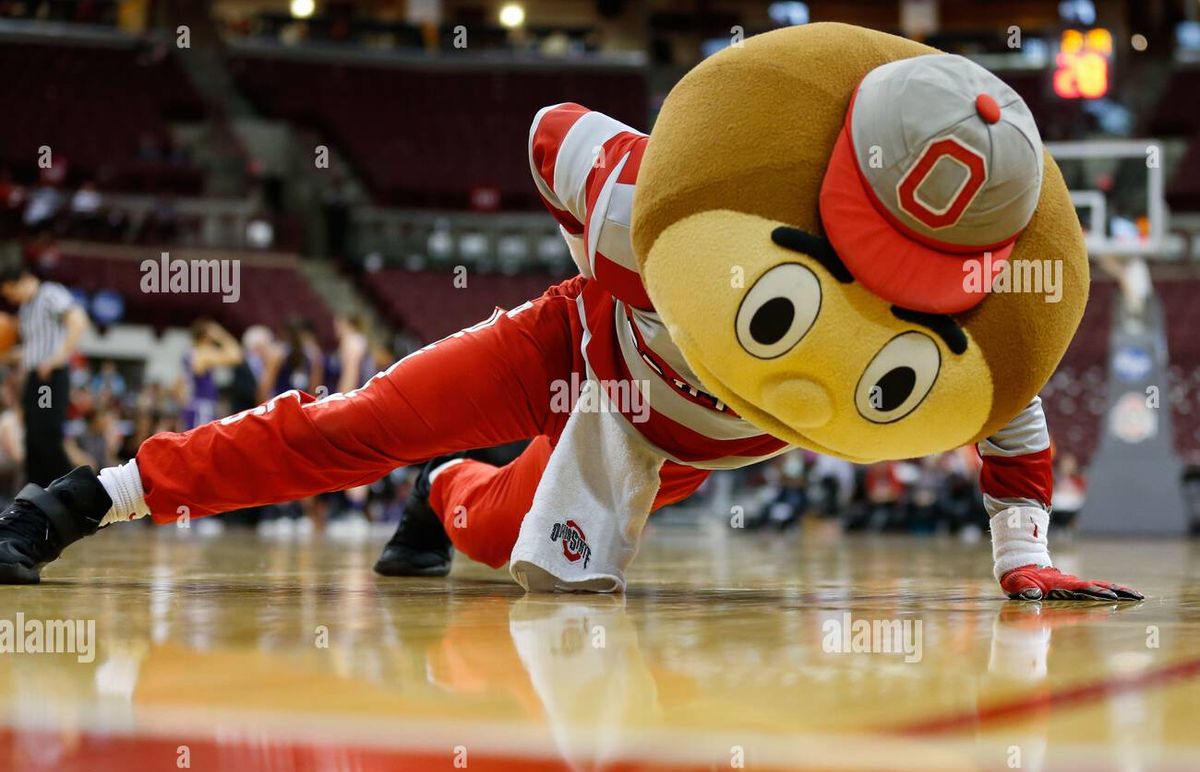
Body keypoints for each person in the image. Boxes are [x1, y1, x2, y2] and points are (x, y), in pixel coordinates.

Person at [0, 35, 1142, 601]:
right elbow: (553, 130)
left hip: (664, 441)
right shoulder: (651, 202)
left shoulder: (976, 343)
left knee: (497, 539)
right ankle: (83, 498)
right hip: (566, 340)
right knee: (357, 421)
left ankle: (441, 496)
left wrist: (1022, 562)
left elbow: (1015, 427)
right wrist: (622, 244)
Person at [0, 265, 89, 487]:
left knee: (46, 436)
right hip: (35, 379)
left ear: (22, 280)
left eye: (10, 291)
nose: (10, 298)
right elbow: (31, 350)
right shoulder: (26, 309)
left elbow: (78, 320)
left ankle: (76, 491)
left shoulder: (49, 293)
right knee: (32, 440)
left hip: (49, 379)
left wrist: (57, 358)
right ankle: (37, 498)